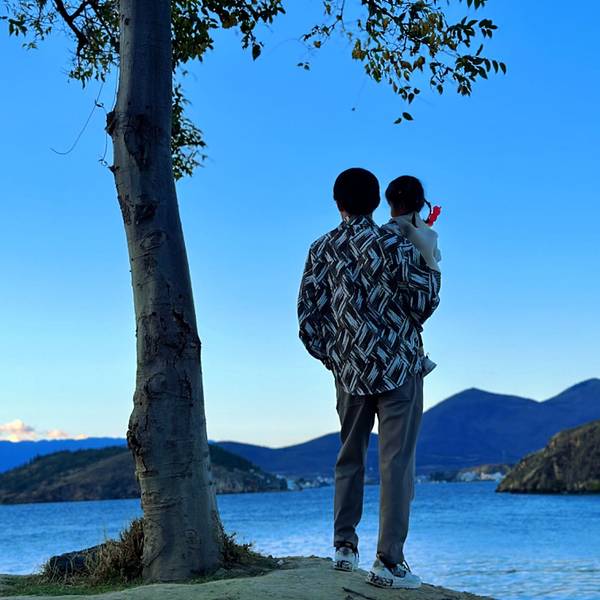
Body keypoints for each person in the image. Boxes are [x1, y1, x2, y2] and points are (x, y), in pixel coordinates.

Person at [297, 167, 441, 590]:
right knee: (396, 465)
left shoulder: (321, 249)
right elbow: (424, 301)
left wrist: (337, 357)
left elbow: (308, 319)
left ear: (337, 203)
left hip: (349, 371)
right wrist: (431, 263)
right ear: (376, 203)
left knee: (349, 457)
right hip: (398, 367)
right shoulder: (392, 242)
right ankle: (388, 562)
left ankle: (344, 548)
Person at [384, 175, 441, 376]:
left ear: (392, 203)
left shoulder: (384, 235)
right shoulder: (429, 236)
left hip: (384, 333)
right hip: (409, 341)